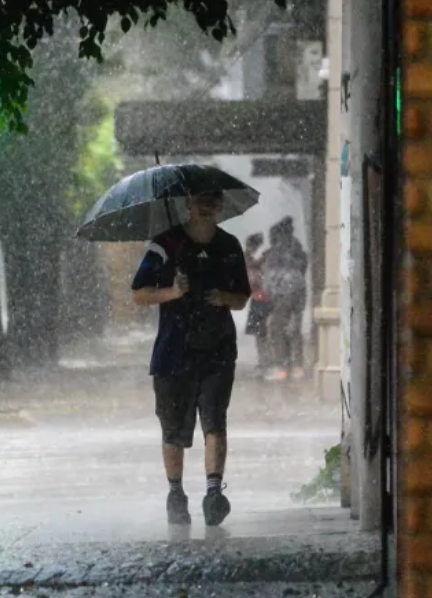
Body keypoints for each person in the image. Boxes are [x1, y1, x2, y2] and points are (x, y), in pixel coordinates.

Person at [131, 189, 251, 527]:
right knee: (173, 428)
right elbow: (139, 294)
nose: (206, 207)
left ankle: (214, 494)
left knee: (215, 420)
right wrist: (172, 291)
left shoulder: (229, 246)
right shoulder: (165, 244)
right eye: (200, 200)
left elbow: (242, 298)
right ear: (188, 205)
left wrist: (224, 297)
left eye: (212, 201)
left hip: (218, 349)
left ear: (220, 205)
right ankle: (176, 493)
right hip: (173, 352)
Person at [262, 217, 308, 381]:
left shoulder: (276, 251)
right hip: (299, 292)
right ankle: (297, 366)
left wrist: (268, 291)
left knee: (278, 329)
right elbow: (302, 267)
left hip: (283, 293)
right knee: (295, 328)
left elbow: (270, 275)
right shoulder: (297, 248)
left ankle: (282, 366)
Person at [243, 233, 272, 375]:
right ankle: (264, 363)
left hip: (261, 298)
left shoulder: (252, 260)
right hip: (260, 298)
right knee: (262, 333)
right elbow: (252, 274)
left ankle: (264, 363)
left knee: (262, 334)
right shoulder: (248, 259)